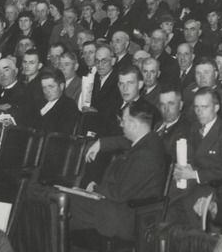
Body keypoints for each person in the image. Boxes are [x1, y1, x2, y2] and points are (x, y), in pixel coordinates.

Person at [71, 102, 167, 240]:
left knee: (62, 202)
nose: (121, 125)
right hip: (118, 208)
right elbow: (124, 142)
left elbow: (119, 194)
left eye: (123, 121)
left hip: (123, 217)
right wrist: (101, 144)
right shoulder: (148, 141)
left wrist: (95, 188)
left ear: (133, 124)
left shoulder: (146, 154)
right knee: (64, 205)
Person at [166, 87, 222, 228]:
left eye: (204, 107)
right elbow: (189, 157)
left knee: (177, 208)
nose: (199, 112)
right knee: (164, 207)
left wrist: (194, 174)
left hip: (211, 186)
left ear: (217, 107)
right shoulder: (194, 127)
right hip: (187, 184)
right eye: (196, 107)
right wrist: (181, 169)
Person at [36, 70, 80, 135]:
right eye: (44, 87)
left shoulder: (68, 105)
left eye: (51, 87)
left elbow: (62, 135)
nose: (46, 91)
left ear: (61, 86)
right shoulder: (42, 103)